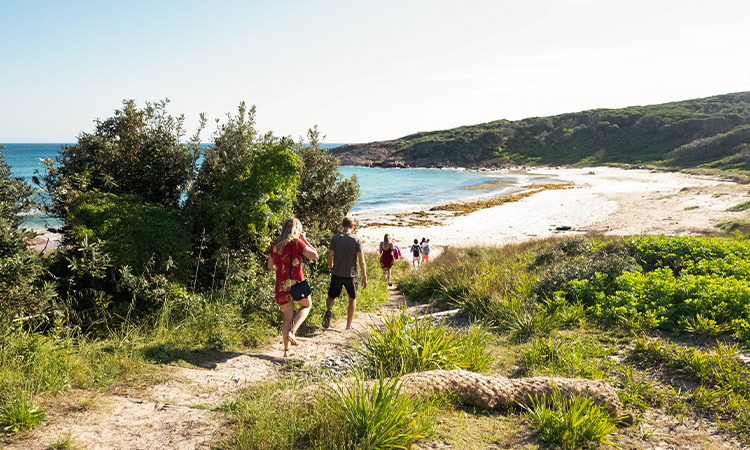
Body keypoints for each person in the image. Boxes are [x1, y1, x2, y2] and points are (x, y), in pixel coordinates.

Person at [267, 217, 318, 357]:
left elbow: (270, 266)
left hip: (281, 286)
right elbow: (315, 255)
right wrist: (305, 240)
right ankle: (293, 332)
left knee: (287, 317)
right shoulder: (297, 243)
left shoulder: (275, 244)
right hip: (296, 285)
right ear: (297, 229)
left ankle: (286, 350)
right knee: (306, 306)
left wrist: (280, 269)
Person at [323, 216, 367, 330]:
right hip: (351, 275)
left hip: (337, 273)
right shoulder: (356, 240)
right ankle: (348, 326)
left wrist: (330, 266)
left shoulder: (336, 238)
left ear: (342, 225)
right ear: (352, 226)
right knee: (352, 299)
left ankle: (329, 310)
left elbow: (330, 255)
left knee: (331, 296)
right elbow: (361, 261)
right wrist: (364, 277)